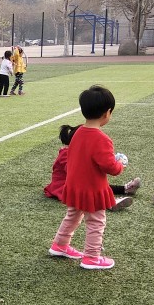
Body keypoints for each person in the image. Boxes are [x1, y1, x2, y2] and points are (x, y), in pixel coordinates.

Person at [48, 85, 125, 270]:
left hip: (75, 186)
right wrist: (120, 164)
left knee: (72, 216)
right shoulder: (101, 139)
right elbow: (110, 167)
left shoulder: (77, 133)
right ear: (107, 113)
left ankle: (60, 245)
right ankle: (91, 257)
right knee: (96, 222)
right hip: (92, 188)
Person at [44, 124, 141, 210]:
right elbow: (73, 172)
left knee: (97, 186)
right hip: (65, 187)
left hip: (75, 185)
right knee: (91, 191)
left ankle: (125, 189)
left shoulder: (76, 151)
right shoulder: (66, 153)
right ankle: (111, 204)